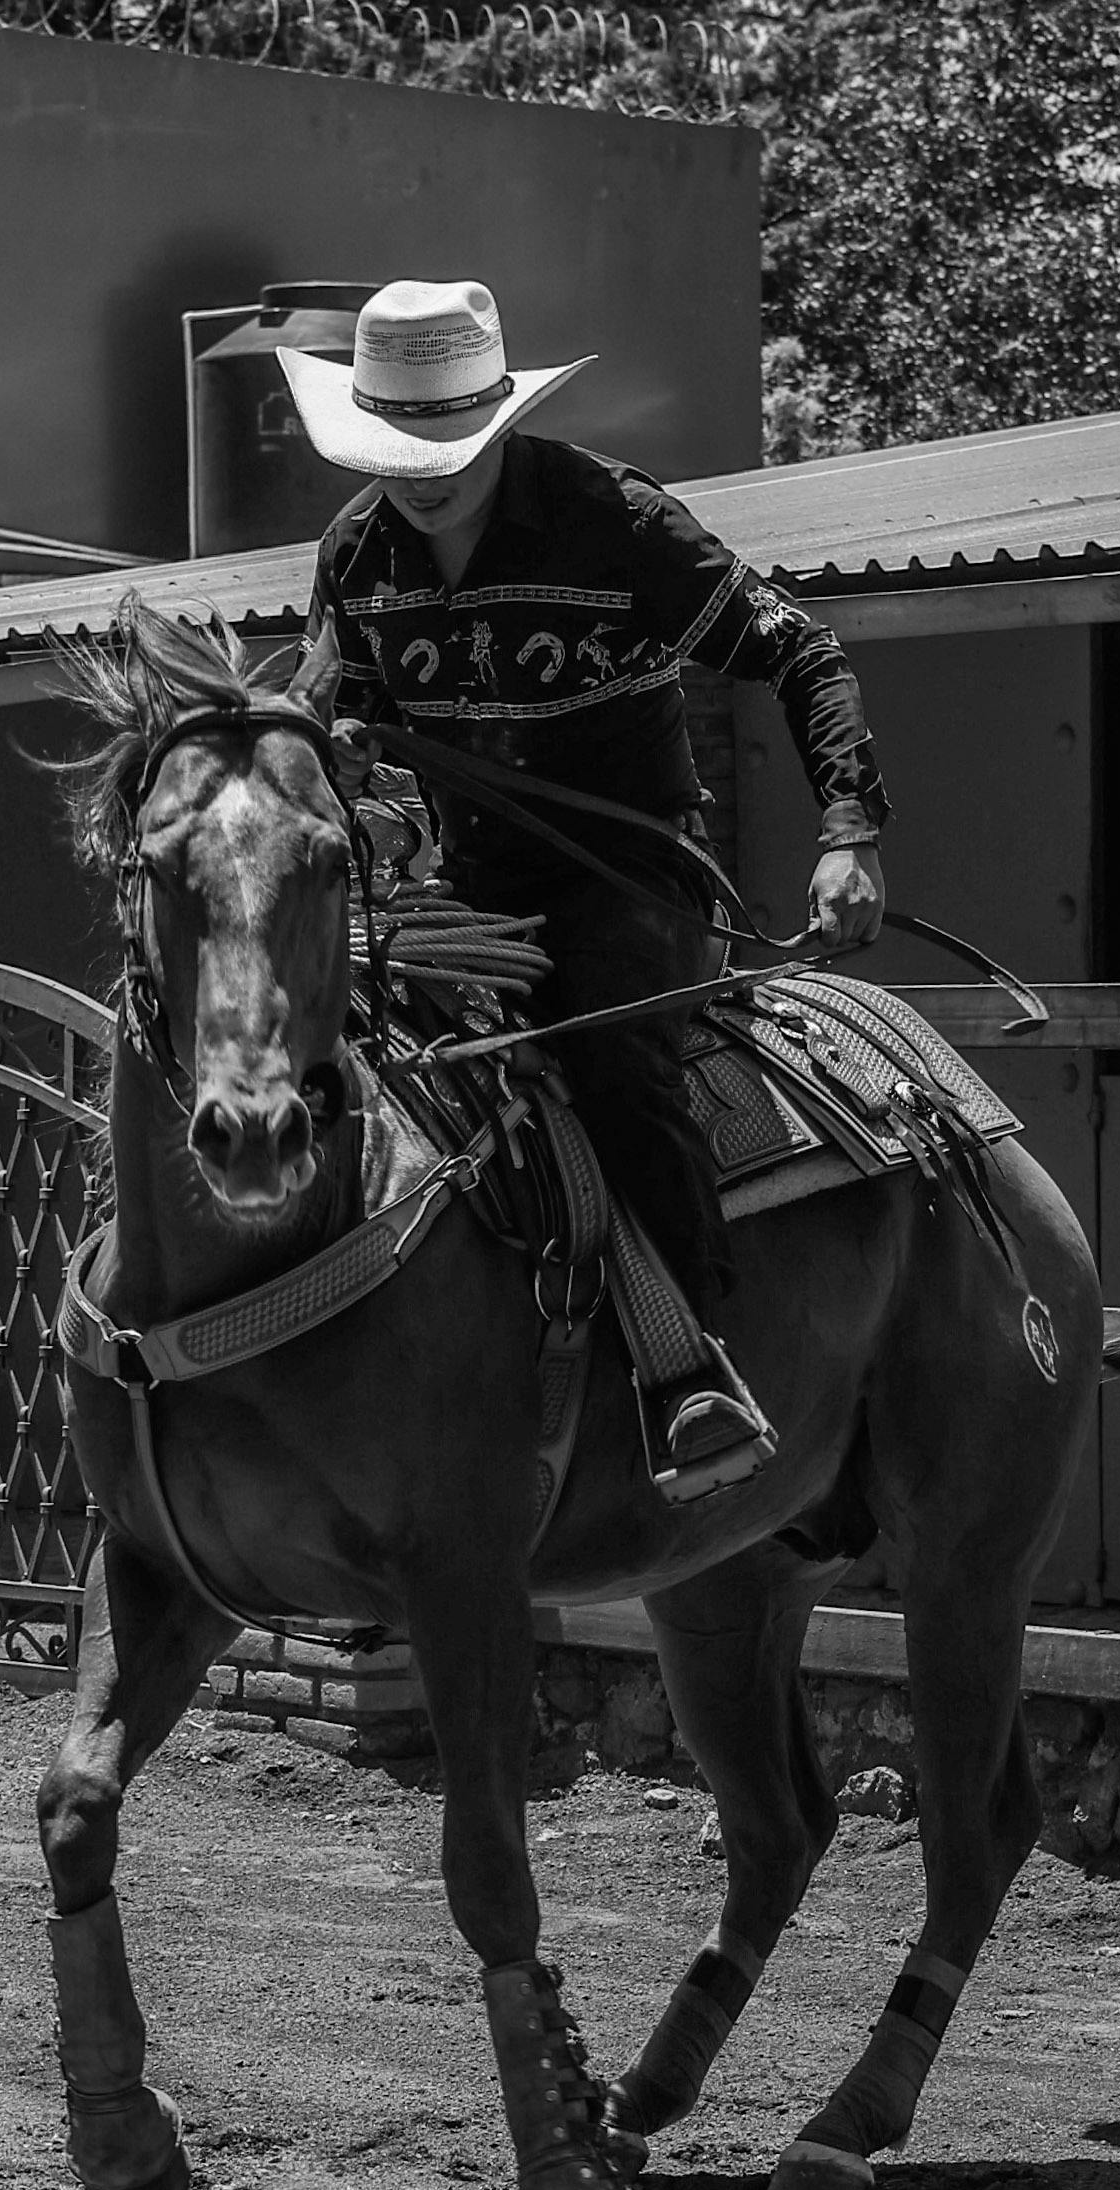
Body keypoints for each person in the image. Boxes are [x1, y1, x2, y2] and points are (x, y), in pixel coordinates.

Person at [283, 278, 890, 1491]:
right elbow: (328, 712)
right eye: (395, 444)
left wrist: (846, 828)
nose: (421, 469)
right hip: (459, 894)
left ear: (502, 418)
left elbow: (801, 650)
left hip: (634, 881)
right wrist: (333, 749)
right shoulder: (354, 555)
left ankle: (692, 1369)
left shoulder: (618, 522)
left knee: (607, 1057)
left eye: (444, 441)